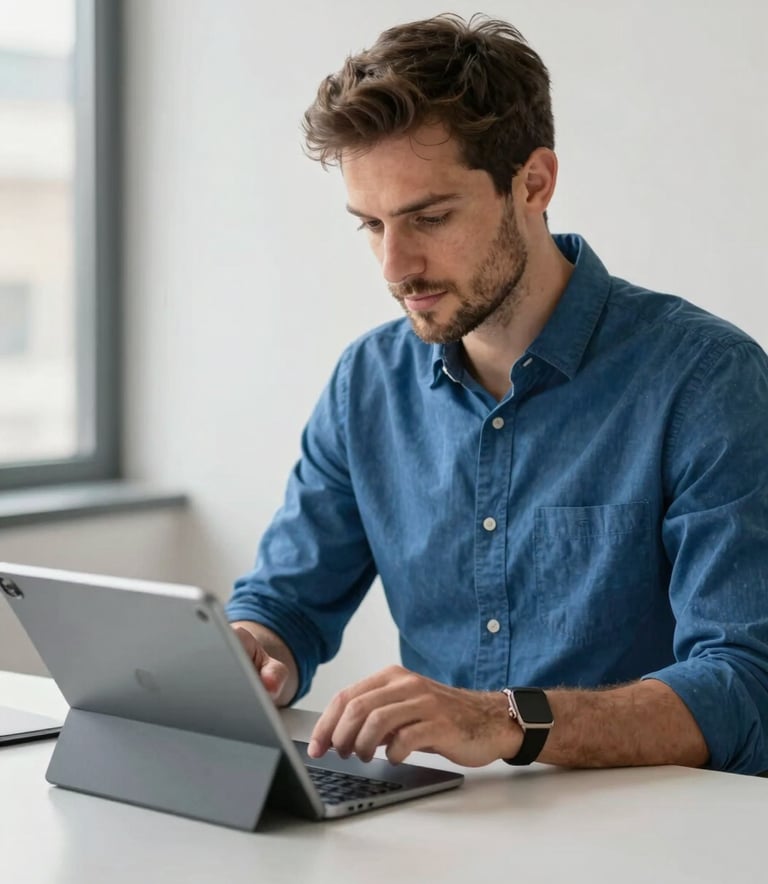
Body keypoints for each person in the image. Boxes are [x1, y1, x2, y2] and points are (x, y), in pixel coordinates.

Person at [227, 13, 768, 774]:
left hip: (653, 839)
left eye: (430, 218)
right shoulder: (366, 386)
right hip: (445, 829)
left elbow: (746, 686)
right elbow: (284, 606)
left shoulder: (705, 380)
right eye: (372, 226)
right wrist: (254, 648)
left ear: (534, 183)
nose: (395, 266)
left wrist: (506, 720)